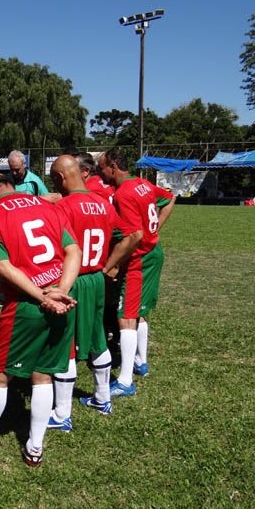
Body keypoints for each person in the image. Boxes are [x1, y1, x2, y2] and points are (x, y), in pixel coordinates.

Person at [0, 174, 80, 468]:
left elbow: (2, 266)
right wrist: (61, 291)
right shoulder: (46, 205)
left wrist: (42, 296)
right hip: (64, 300)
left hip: (26, 305)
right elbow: (73, 250)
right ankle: (34, 447)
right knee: (43, 375)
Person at [46, 155, 134, 430]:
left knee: (65, 342)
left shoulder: (63, 207)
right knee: (98, 337)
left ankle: (62, 414)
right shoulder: (103, 203)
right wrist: (110, 266)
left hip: (73, 280)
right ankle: (102, 398)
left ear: (60, 178)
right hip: (97, 278)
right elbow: (132, 235)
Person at [98, 148, 175, 396]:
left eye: (102, 168)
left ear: (112, 167)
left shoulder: (123, 193)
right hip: (153, 253)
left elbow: (134, 235)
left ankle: (125, 381)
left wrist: (110, 265)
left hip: (139, 261)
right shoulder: (143, 184)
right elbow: (170, 198)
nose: (101, 173)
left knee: (126, 316)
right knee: (138, 313)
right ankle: (141, 362)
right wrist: (155, 229)